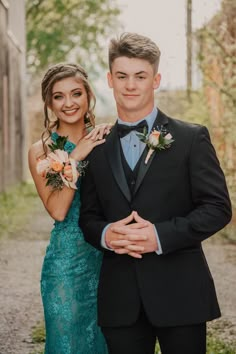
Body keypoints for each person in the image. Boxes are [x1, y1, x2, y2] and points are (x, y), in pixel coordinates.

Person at [79, 33, 232, 354]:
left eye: (140, 76)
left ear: (156, 79)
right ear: (110, 79)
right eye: (122, 76)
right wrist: (107, 234)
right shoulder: (95, 145)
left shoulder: (191, 138)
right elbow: (88, 217)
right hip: (120, 299)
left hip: (182, 293)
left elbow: (218, 208)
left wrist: (160, 236)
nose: (130, 85)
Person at [28, 63, 109, 353]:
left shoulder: (106, 139)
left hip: (110, 262)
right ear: (49, 102)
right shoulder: (42, 151)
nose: (69, 103)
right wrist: (75, 156)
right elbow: (59, 211)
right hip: (66, 266)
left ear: (88, 95)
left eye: (76, 93)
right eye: (59, 96)